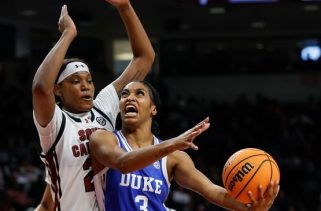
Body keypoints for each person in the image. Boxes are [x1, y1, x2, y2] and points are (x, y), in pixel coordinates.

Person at [32, 0, 155, 210]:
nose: (86, 87)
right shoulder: (56, 123)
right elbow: (41, 88)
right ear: (58, 89)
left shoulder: (102, 106)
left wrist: (124, 7)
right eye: (76, 81)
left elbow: (145, 58)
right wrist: (68, 33)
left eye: (89, 80)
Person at [90, 81, 280, 211]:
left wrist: (251, 207)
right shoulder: (104, 139)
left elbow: (213, 191)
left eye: (139, 93)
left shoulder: (174, 157)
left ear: (153, 109)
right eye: (124, 95)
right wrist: (173, 143)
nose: (129, 98)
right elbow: (123, 163)